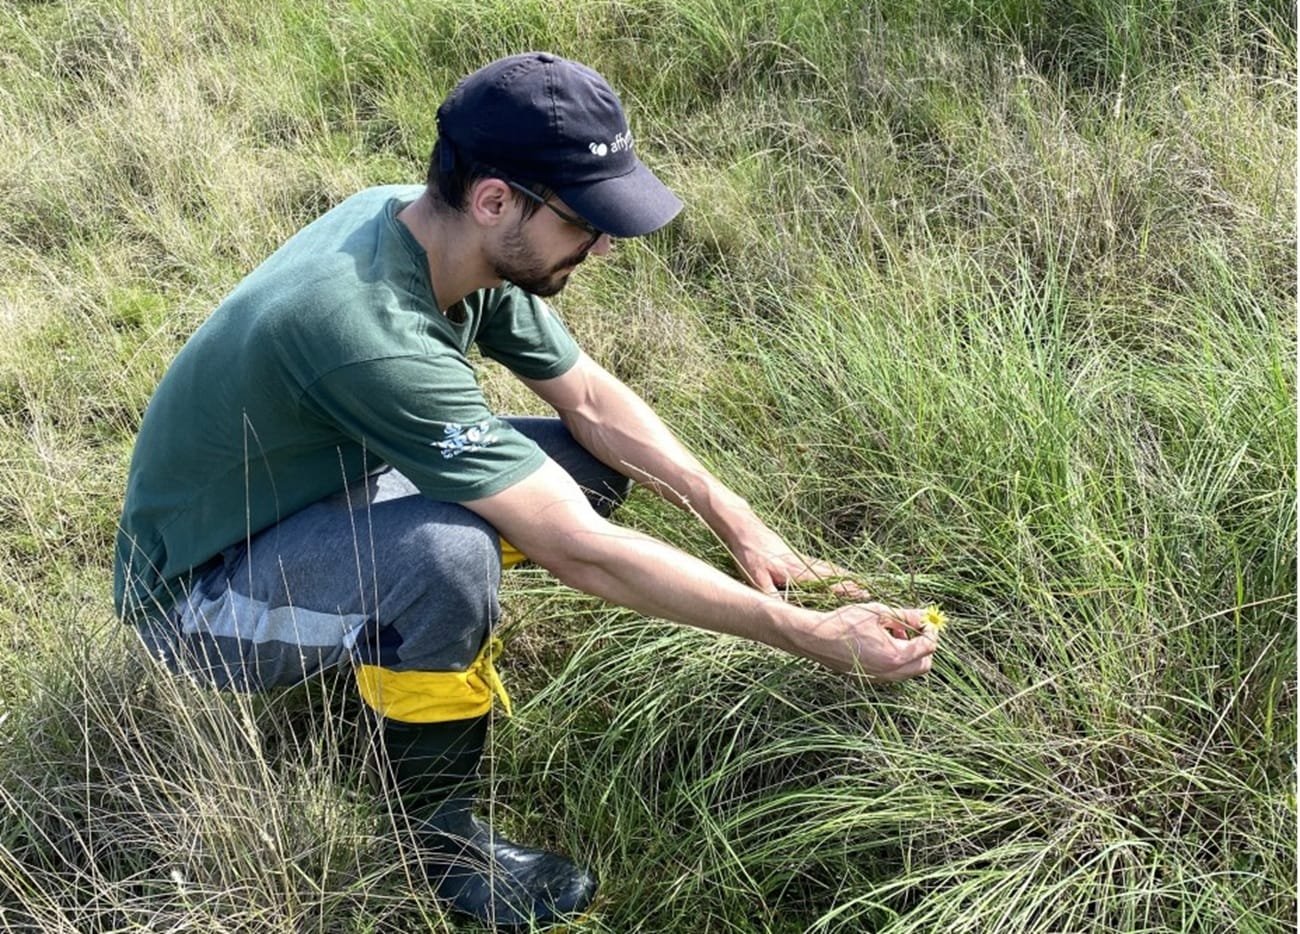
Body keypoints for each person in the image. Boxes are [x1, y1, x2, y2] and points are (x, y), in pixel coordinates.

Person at [114, 52, 939, 930]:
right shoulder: (368, 330)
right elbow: (576, 549)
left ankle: (397, 649)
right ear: (497, 199)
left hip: (320, 492)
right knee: (449, 559)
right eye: (586, 219)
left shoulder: (443, 237)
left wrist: (739, 522)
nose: (606, 244)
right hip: (196, 603)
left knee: (591, 468)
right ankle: (442, 847)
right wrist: (804, 633)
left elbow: (587, 398)